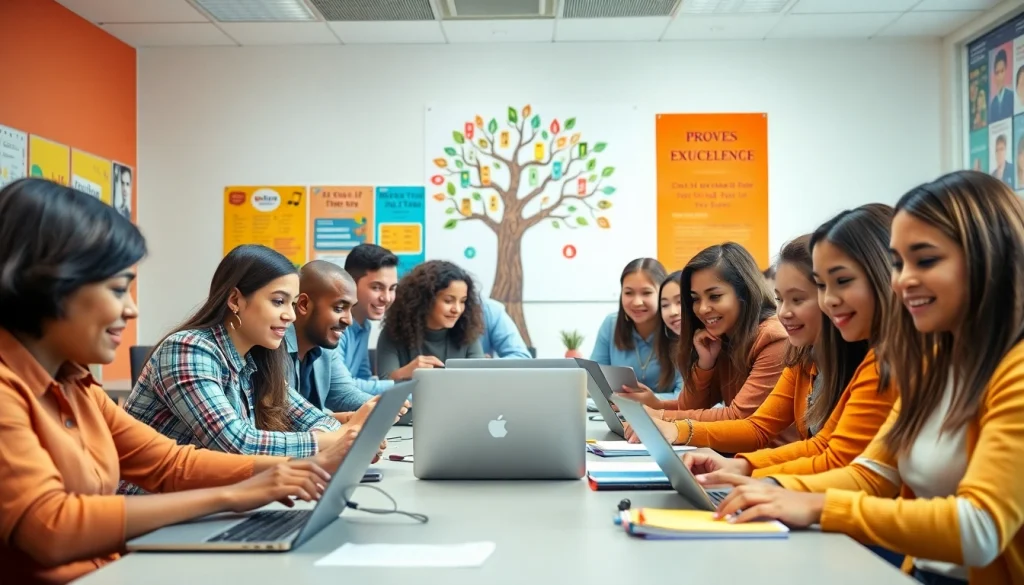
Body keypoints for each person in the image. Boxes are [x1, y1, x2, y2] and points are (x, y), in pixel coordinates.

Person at [0, 179, 356, 585]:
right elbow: (51, 527)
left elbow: (170, 463)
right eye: (118, 289)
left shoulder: (76, 385)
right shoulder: (8, 390)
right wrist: (238, 493)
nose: (132, 309)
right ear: (47, 287)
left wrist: (291, 471)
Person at [698, 171, 1024, 585]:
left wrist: (816, 505)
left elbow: (980, 529)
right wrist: (773, 486)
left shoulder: (1014, 371)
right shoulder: (933, 365)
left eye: (925, 260)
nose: (904, 280)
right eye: (898, 264)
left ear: (989, 257)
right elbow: (872, 474)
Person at [638, 210, 899, 474]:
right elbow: (779, 433)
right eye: (781, 299)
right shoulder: (801, 354)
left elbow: (833, 458)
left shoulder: (779, 339)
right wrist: (740, 467)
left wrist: (751, 473)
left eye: (798, 299)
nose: (784, 312)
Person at [121, 245, 372, 496]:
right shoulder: (187, 349)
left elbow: (315, 418)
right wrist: (329, 442)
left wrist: (337, 437)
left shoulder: (256, 358)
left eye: (292, 303)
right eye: (278, 301)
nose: (290, 316)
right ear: (235, 300)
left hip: (205, 503)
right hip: (146, 511)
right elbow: (237, 445)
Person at [620, 243, 789, 434]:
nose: (702, 309)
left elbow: (738, 417)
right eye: (695, 299)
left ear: (744, 293)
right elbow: (690, 408)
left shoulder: (773, 338)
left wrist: (660, 415)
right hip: (735, 457)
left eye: (714, 296)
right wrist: (705, 364)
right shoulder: (723, 338)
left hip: (769, 460)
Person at [284, 260, 376, 415]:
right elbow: (286, 413)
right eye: (339, 308)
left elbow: (344, 394)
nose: (349, 320)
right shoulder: (274, 346)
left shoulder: (324, 346)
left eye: (350, 310)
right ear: (304, 305)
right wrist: (337, 421)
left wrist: (379, 404)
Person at [376, 260, 485, 380]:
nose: (457, 309)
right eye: (448, 301)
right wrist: (407, 371)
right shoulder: (393, 333)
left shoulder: (467, 333)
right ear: (425, 300)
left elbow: (480, 380)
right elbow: (383, 385)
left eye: (463, 301)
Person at [591, 258, 681, 397]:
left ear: (663, 293)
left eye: (646, 293)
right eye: (628, 293)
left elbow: (686, 397)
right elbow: (594, 381)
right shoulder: (611, 324)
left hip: (668, 417)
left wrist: (642, 400)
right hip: (621, 414)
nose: (637, 302)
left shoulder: (678, 327)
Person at [339, 244, 399, 394]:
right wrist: (403, 388)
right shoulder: (335, 325)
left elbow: (363, 377)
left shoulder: (364, 325)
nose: (386, 298)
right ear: (350, 283)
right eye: (377, 287)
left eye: (392, 288)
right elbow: (340, 386)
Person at [652, 270, 683, 394]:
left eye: (680, 302)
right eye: (665, 305)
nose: (672, 312)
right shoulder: (677, 347)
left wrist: (648, 403)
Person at [989, 49, 1014, 122]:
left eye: (1002, 71)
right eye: (997, 72)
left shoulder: (1011, 96)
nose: (1000, 76)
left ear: (1006, 71)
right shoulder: (993, 104)